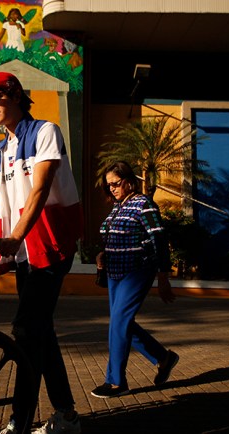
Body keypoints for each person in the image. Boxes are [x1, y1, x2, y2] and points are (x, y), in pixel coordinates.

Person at [0, 72, 83, 434]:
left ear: (16, 95)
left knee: (25, 329)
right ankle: (65, 414)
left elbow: (40, 190)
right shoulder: (1, 149)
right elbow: (0, 203)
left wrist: (16, 236)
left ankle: (19, 421)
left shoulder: (45, 131)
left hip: (50, 244)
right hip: (23, 252)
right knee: (40, 330)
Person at [91, 161, 178, 399]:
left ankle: (116, 382)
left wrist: (163, 275)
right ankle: (164, 357)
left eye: (116, 184)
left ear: (129, 181)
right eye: (108, 186)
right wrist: (103, 253)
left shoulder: (144, 204)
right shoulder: (118, 207)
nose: (112, 189)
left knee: (119, 323)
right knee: (123, 323)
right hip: (115, 273)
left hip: (137, 271)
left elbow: (159, 239)